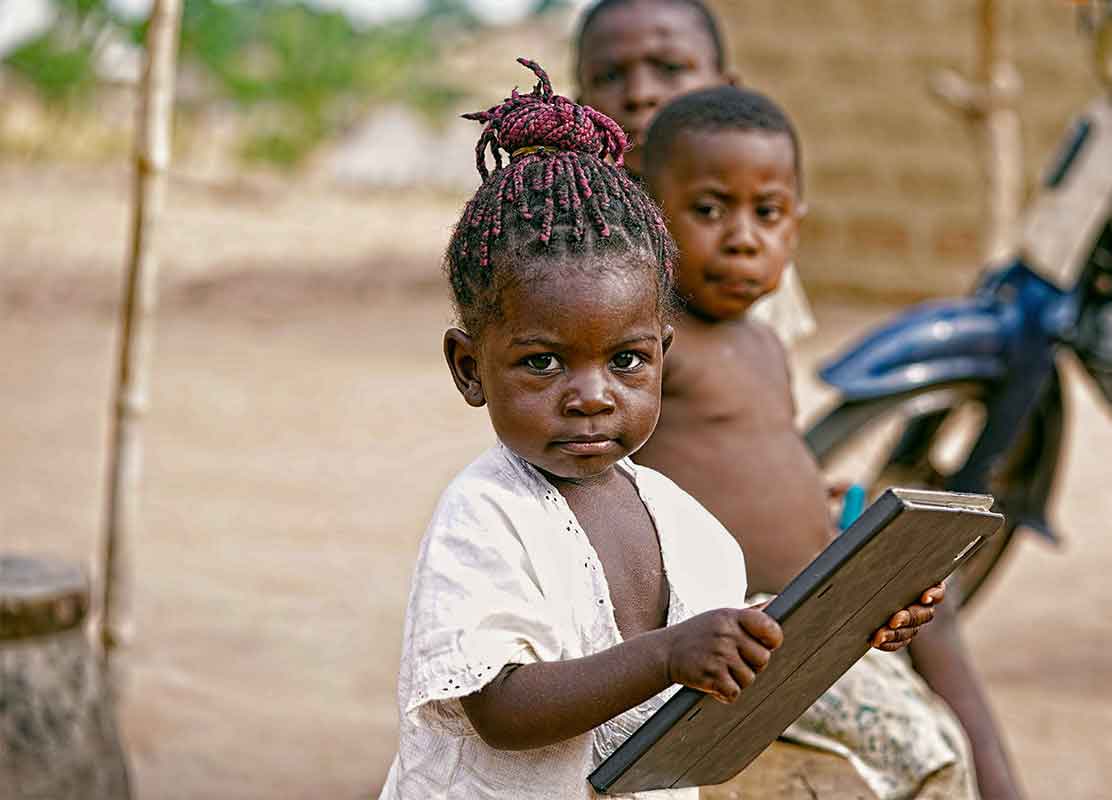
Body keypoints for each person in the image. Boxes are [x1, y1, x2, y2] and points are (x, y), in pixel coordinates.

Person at [379, 60, 940, 800]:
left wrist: (845, 620)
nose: (590, 396)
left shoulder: (686, 526)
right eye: (543, 362)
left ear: (662, 359)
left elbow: (721, 669)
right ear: (468, 368)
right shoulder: (486, 516)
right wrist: (668, 654)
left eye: (626, 361)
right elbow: (501, 709)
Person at [632, 86, 1027, 800]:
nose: (743, 237)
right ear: (649, 215)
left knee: (933, 729)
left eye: (768, 213)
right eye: (709, 210)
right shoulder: (653, 344)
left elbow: (755, 463)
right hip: (730, 637)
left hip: (806, 622)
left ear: (797, 227)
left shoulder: (763, 347)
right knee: (927, 754)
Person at [574, 0, 816, 347]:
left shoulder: (748, 245)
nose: (640, 95)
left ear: (726, 88)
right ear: (580, 103)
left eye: (670, 68)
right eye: (609, 76)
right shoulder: (566, 248)